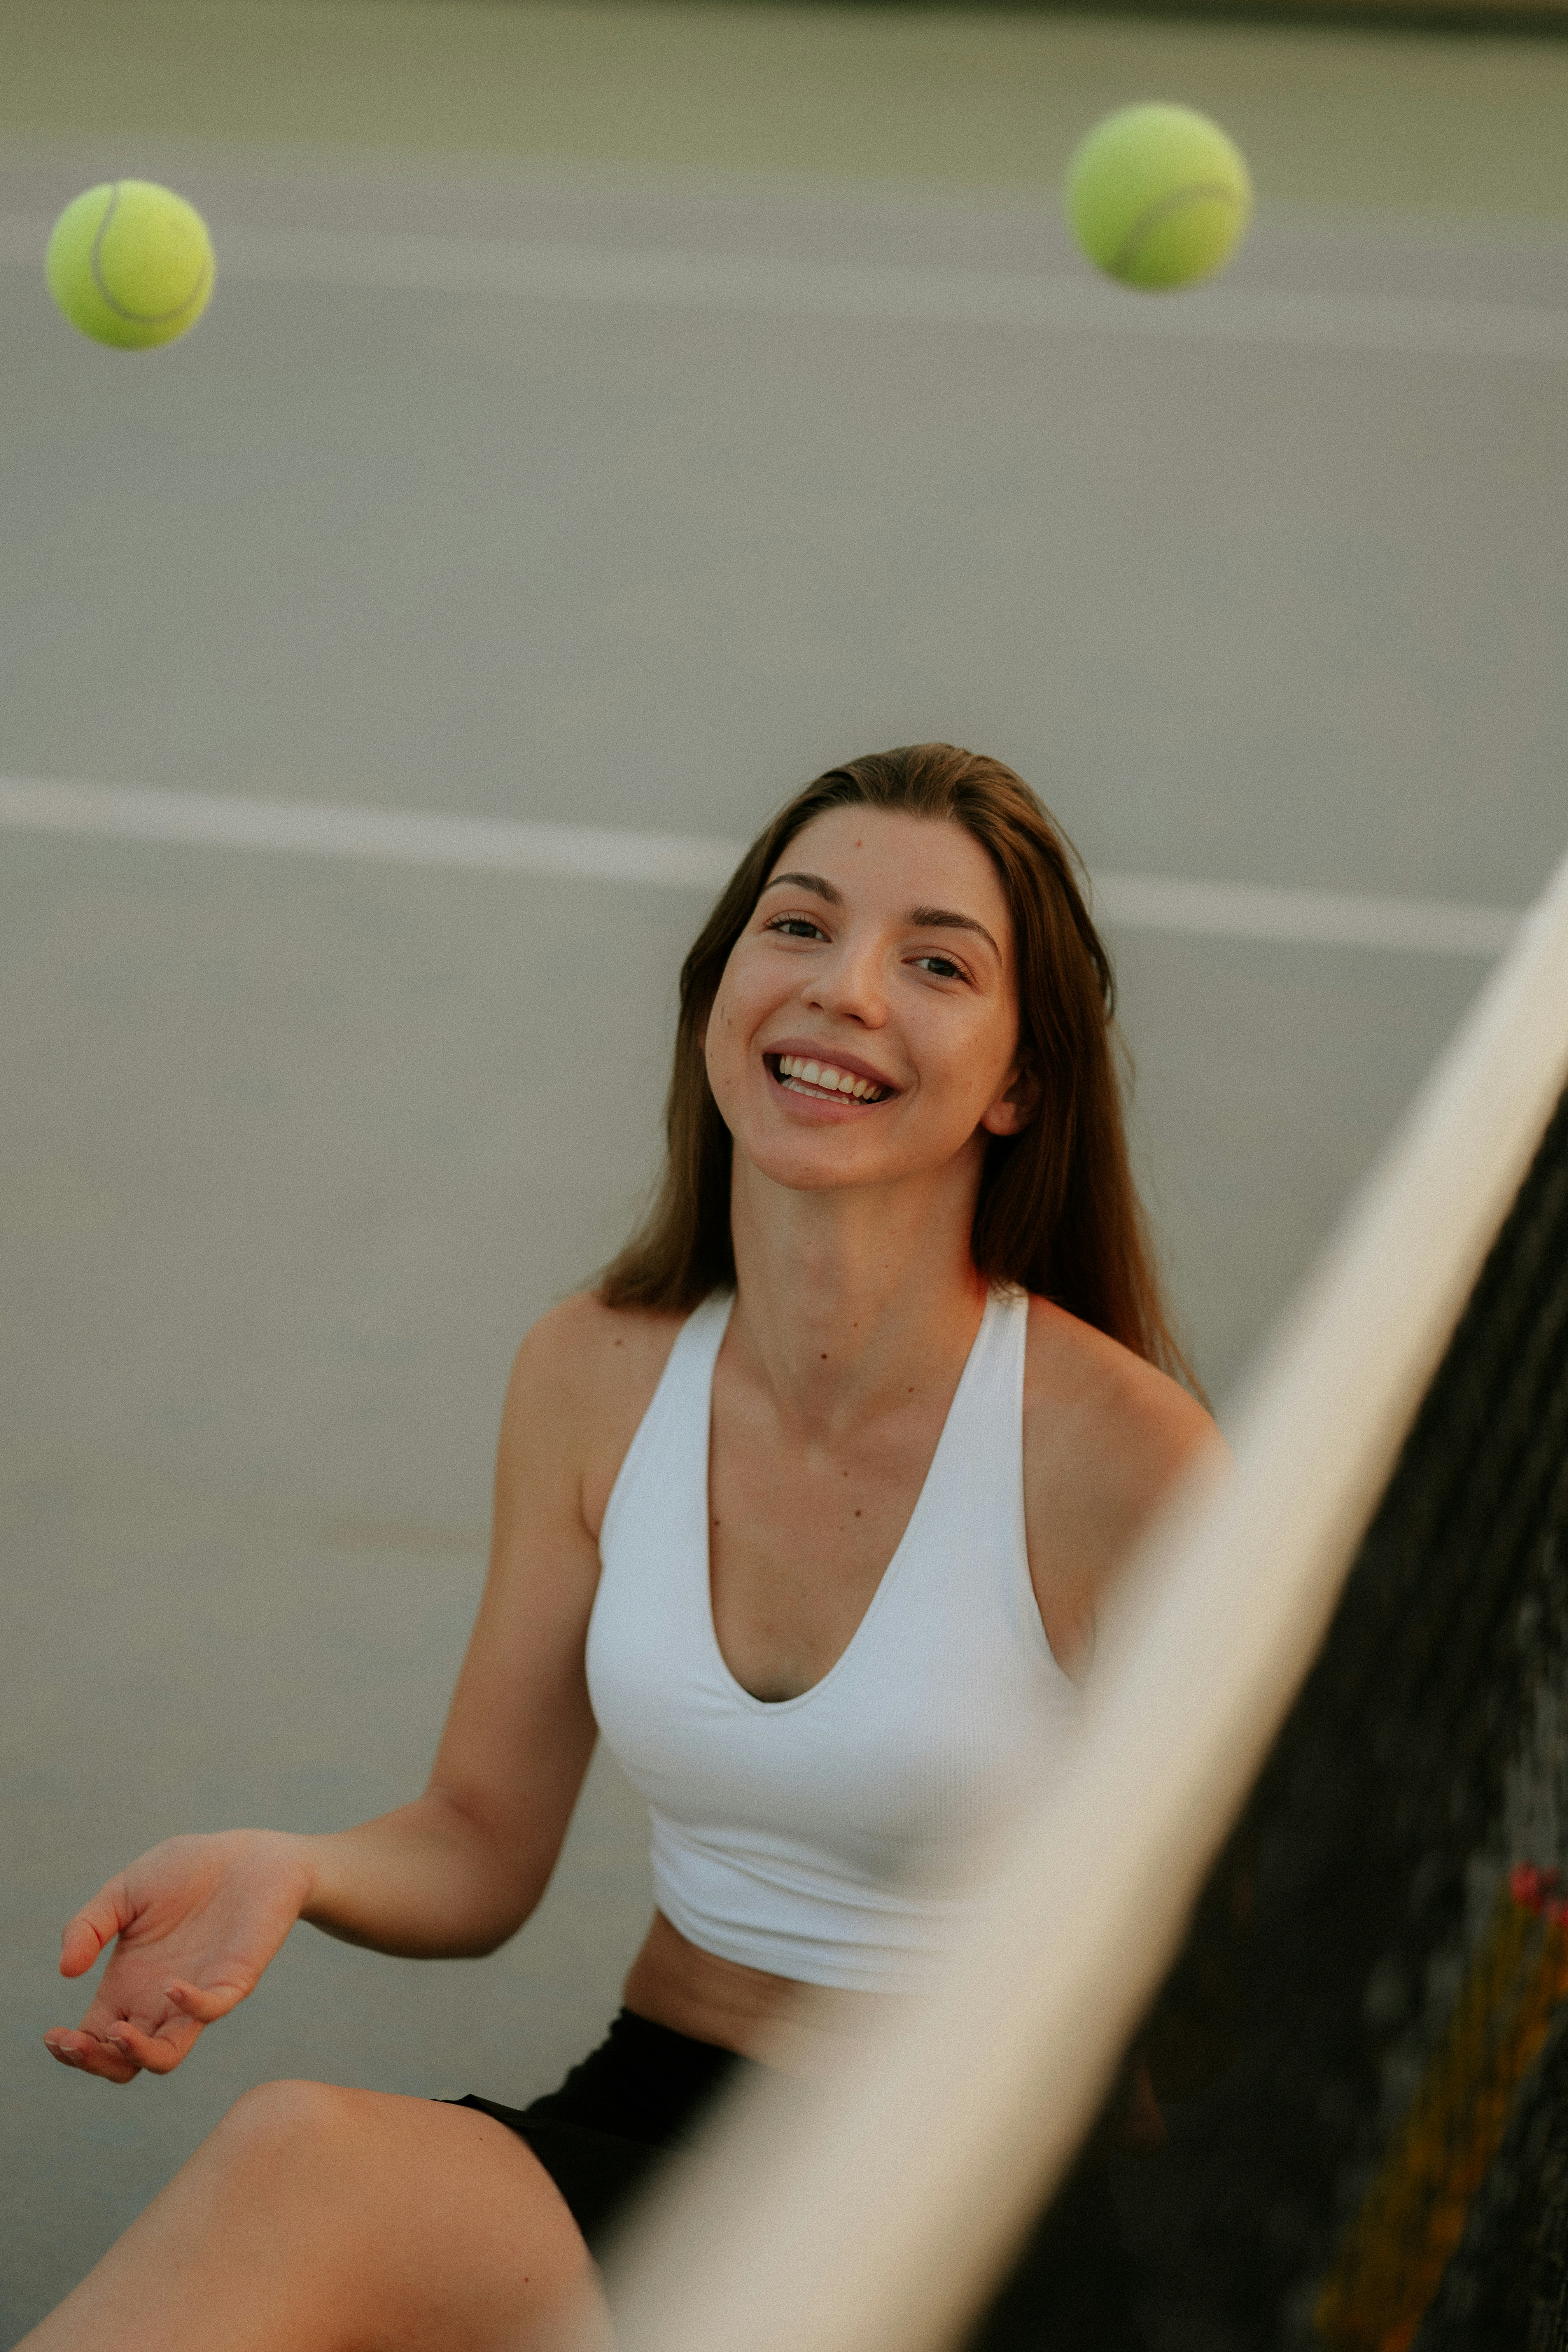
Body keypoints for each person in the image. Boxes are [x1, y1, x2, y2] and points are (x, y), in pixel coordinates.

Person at [26, 744, 1220, 2352]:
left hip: (974, 2202)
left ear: (1019, 1080)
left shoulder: (1121, 1462)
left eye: (937, 961)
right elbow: (479, 1836)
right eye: (798, 928)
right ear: (718, 990)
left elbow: (1245, 1996)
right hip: (655, 2121)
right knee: (297, 2156)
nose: (846, 991)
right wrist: (293, 1867)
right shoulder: (591, 1373)